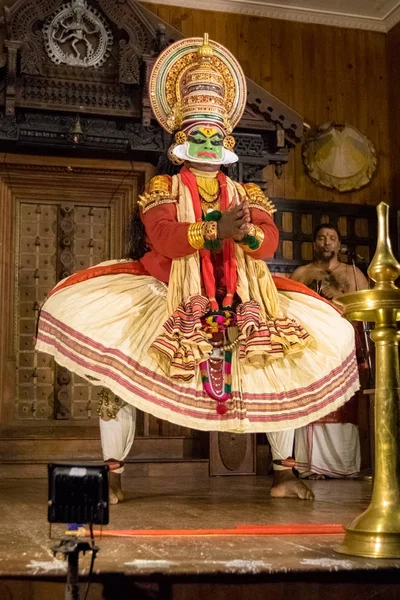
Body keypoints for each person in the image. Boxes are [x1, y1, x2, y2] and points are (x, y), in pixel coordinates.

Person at [35, 35, 359, 504]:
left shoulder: (247, 194)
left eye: (214, 138)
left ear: (227, 144)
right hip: (168, 295)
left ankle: (285, 473)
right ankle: (114, 474)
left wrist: (242, 232)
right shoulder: (163, 187)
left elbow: (267, 244)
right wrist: (215, 228)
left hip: (245, 298)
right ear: (180, 143)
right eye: (197, 138)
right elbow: (164, 237)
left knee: (280, 369)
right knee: (116, 379)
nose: (206, 147)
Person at [291, 224, 369, 479]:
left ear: (339, 245)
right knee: (314, 403)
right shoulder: (302, 273)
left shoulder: (353, 272)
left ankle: (342, 467)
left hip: (343, 349)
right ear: (314, 243)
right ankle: (311, 467)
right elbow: (290, 310)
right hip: (313, 349)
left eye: (332, 238)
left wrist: (337, 297)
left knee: (343, 405)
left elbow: (364, 310)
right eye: (321, 237)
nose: (327, 242)